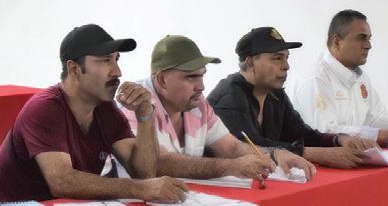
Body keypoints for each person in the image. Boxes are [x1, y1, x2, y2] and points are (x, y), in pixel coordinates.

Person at [0, 24, 189, 203]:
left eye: (116, 59)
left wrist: (145, 115)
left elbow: (144, 173)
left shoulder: (104, 107)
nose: (117, 71)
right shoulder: (44, 108)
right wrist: (140, 189)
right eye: (105, 60)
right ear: (74, 69)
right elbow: (62, 181)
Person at [121, 35, 316, 181]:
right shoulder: (135, 103)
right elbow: (160, 163)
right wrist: (230, 167)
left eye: (202, 76)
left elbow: (231, 147)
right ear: (162, 80)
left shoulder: (197, 102)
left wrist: (273, 154)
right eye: (191, 77)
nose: (201, 87)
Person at [208, 27, 377, 169]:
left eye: (286, 58)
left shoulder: (275, 93)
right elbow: (250, 146)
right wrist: (321, 154)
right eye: (277, 58)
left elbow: (301, 133)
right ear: (250, 62)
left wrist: (338, 139)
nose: (286, 66)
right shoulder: (229, 96)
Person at [290, 10, 388, 146]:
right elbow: (325, 133)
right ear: (337, 41)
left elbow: (375, 118)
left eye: (369, 39)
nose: (368, 45)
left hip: (353, 154)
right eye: (361, 38)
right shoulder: (315, 79)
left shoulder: (360, 77)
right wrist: (384, 136)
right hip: (315, 158)